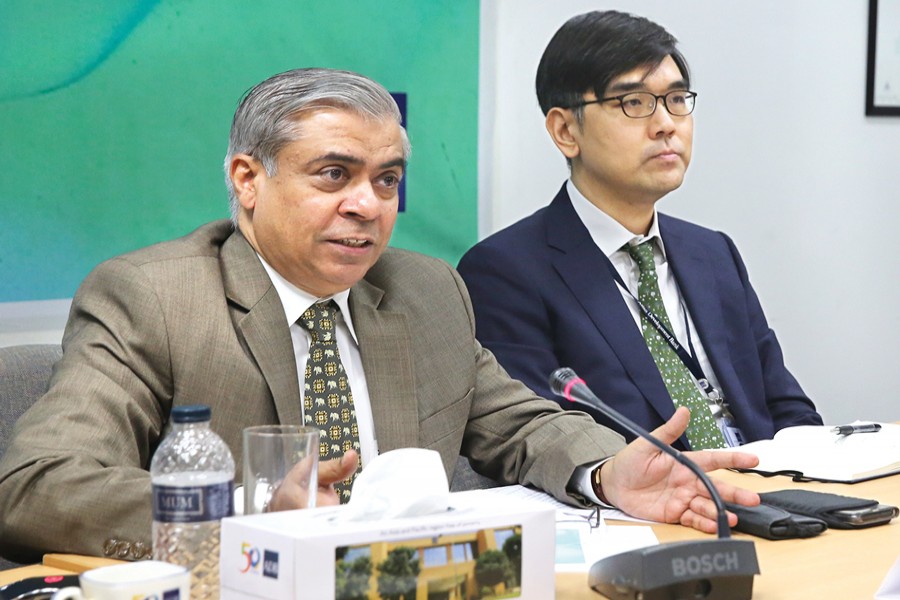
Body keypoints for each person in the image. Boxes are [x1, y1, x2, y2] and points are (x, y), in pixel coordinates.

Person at [0, 67, 758, 564]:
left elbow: (519, 424)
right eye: (334, 175)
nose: (368, 204)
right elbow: (35, 485)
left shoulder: (425, 291)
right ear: (248, 180)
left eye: (388, 179)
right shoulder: (153, 298)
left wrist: (607, 471)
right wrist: (250, 510)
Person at [458, 11, 822, 451]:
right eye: (634, 102)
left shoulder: (713, 253)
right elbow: (538, 441)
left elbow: (786, 407)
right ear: (565, 130)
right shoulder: (504, 271)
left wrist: (815, 468)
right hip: (642, 491)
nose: (666, 123)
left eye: (676, 99)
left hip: (764, 481)